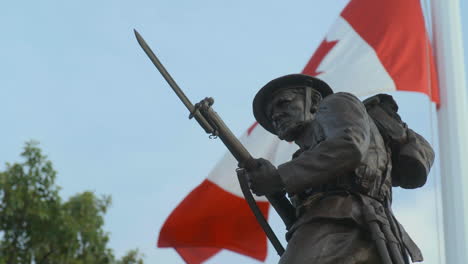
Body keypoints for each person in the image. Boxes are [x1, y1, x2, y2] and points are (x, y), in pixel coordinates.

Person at [245, 74, 433, 264]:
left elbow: (349, 146)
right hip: (353, 230)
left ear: (315, 101)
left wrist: (279, 177)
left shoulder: (336, 103)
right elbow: (300, 216)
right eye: (271, 114)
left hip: (343, 225)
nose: (276, 115)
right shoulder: (303, 159)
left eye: (283, 103)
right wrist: (275, 190)